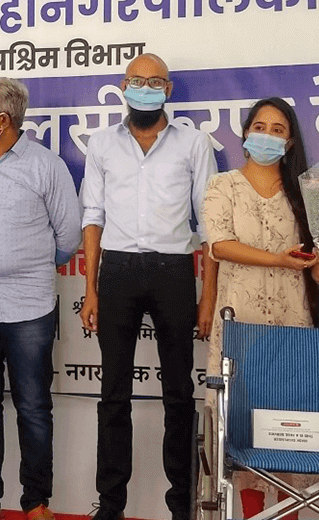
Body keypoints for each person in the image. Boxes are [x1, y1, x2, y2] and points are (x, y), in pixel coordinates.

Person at [79, 53, 218, 520]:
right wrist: (91, 289)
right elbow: (92, 216)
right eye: (137, 81)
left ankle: (182, 504)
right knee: (113, 394)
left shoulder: (194, 143)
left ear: (168, 90)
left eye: (155, 82)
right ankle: (110, 504)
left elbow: (209, 226)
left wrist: (207, 297)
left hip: (173, 270)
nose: (145, 88)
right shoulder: (101, 144)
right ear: (123, 86)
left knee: (178, 393)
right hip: (117, 270)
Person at [201, 97, 319, 517]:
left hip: (292, 324)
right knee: (242, 427)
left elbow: (318, 269)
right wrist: (279, 260)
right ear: (246, 134)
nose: (266, 135)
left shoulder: (310, 192)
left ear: (290, 141)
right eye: (259, 127)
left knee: (288, 426)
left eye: (277, 130)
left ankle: (289, 512)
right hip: (239, 325)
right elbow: (220, 245)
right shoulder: (222, 185)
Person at [0, 78, 82, 520]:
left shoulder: (47, 166)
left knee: (34, 408)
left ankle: (36, 504)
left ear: (3, 119)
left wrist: (28, 265)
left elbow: (68, 236)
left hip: (29, 305)